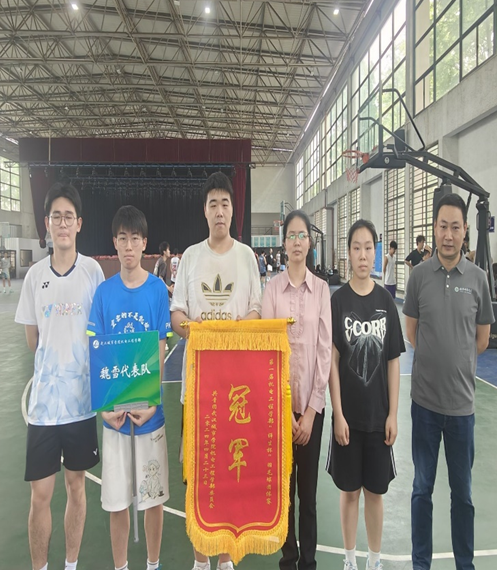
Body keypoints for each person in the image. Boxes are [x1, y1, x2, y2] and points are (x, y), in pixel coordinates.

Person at [170, 171, 262, 570]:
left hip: (235, 387)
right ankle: (200, 559)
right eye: (213, 204)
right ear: (204, 211)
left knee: (228, 473)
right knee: (196, 473)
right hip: (198, 387)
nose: (220, 210)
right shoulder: (190, 257)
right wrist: (196, 330)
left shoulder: (246, 257)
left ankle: (225, 558)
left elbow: (256, 310)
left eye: (225, 203)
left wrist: (236, 331)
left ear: (232, 210)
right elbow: (177, 315)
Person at [15, 182, 105, 570]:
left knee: (76, 486)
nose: (63, 223)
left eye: (69, 216)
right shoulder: (35, 276)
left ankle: (71, 564)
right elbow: (32, 339)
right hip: (44, 407)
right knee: (40, 495)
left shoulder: (93, 272)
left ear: (79, 223)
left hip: (81, 405)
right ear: (47, 223)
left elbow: (101, 333)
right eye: (56, 216)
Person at [404, 193, 494, 570]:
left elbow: (482, 339)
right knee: (421, 490)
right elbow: (412, 331)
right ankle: (420, 564)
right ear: (434, 228)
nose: (448, 234)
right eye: (442, 226)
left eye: (456, 227)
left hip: (461, 410)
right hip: (424, 405)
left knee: (464, 496)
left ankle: (464, 565)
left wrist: (456, 358)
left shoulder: (478, 279)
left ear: (465, 230)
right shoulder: (418, 277)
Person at [87, 205, 171, 570]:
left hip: (150, 416)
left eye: (135, 238)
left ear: (144, 243)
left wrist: (152, 402)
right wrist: (105, 409)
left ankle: (153, 563)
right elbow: (97, 352)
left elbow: (161, 348)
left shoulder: (157, 291)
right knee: (117, 502)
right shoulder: (104, 294)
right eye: (122, 238)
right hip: (116, 419)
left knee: (153, 498)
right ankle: (120, 566)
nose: (128, 246)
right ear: (115, 243)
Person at [328, 219, 404, 570]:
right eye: (356, 248)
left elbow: (393, 362)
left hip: (378, 417)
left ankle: (374, 560)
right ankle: (350, 560)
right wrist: (338, 413)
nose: (362, 254)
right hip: (348, 419)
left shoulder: (386, 302)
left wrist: (393, 414)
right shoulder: (338, 301)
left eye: (368, 248)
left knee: (375, 493)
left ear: (375, 253)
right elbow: (332, 361)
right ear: (348, 253)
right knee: (350, 493)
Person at [262, 210, 331, 570]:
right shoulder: (272, 290)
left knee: (309, 494)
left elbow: (324, 350)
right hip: (280, 411)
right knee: (285, 492)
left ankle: (309, 562)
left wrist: (311, 411)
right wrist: (284, 410)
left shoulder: (321, 290)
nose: (297, 242)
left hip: (312, 411)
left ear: (310, 242)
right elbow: (269, 351)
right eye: (291, 235)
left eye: (303, 235)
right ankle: (288, 560)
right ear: (284, 242)